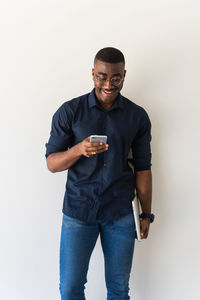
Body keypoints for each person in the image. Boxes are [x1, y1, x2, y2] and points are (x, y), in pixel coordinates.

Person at [45, 47, 154, 300]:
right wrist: (78, 150)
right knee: (70, 288)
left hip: (120, 213)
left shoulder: (137, 117)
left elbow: (143, 168)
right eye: (102, 76)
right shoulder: (70, 111)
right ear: (93, 74)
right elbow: (52, 163)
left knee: (118, 290)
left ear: (124, 75)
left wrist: (146, 213)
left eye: (115, 77)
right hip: (78, 211)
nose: (108, 83)